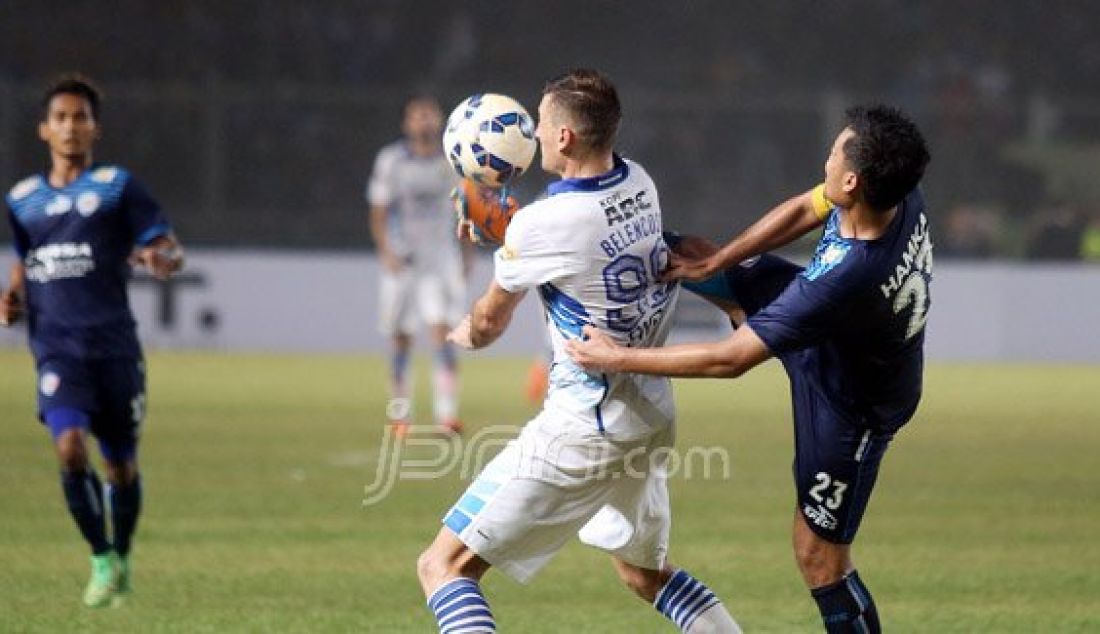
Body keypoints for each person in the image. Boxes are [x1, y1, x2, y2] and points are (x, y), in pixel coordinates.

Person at [567, 105, 932, 633]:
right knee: (688, 251)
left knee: (818, 556)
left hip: (851, 406)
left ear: (853, 180)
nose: (826, 156)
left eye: (835, 152)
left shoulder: (849, 275)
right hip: (839, 337)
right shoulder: (894, 195)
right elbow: (806, 210)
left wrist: (614, 357)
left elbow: (730, 359)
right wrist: (718, 263)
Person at [415, 69, 742, 633]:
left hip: (581, 427)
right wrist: (515, 234)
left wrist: (460, 329)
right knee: (645, 575)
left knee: (443, 566)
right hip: (648, 415)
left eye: (541, 123)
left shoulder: (540, 226)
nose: (535, 132)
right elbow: (580, 239)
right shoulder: (639, 183)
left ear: (564, 138)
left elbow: (490, 324)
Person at [1, 75, 185, 608]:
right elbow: (26, 261)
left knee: (121, 467)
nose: (70, 126)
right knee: (68, 446)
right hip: (57, 351)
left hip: (115, 350)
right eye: (60, 117)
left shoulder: (116, 187)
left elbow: (167, 246)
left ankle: (121, 553)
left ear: (94, 128)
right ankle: (100, 555)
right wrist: (12, 297)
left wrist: (161, 259)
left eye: (80, 117)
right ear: (43, 129)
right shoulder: (22, 201)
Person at [367, 95, 470, 437]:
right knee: (401, 338)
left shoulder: (452, 162)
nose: (424, 122)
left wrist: (467, 257)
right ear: (407, 123)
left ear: (439, 121)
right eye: (418, 116)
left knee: (443, 333)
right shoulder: (392, 160)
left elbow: (465, 211)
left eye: (429, 116)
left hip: (439, 260)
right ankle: (400, 414)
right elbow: (379, 209)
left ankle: (447, 415)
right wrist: (386, 252)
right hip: (403, 261)